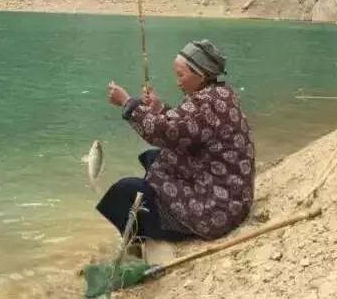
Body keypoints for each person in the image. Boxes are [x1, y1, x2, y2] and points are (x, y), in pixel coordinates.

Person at [97, 39, 255, 244]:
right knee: (154, 158)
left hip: (217, 211)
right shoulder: (221, 94)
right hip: (234, 199)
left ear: (202, 75)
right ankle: (148, 213)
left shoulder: (205, 103)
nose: (178, 82)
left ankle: (141, 236)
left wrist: (127, 103)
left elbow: (164, 132)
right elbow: (188, 127)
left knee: (124, 190)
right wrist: (158, 108)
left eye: (181, 75)